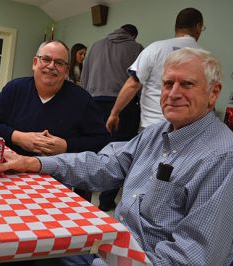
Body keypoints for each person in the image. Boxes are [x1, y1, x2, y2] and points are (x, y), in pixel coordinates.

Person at [0, 47, 233, 265]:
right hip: (111, 246)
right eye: (167, 84)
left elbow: (193, 258)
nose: (173, 93)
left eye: (186, 84)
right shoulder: (156, 133)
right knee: (23, 244)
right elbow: (103, 166)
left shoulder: (225, 157)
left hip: (138, 261)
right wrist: (35, 162)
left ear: (213, 93)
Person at [0, 40, 111, 201]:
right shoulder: (15, 89)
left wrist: (66, 146)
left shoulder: (82, 99)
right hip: (10, 177)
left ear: (66, 70)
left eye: (59, 63)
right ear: (35, 63)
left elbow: (101, 141)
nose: (51, 66)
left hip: (59, 185)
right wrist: (18, 137)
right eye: (46, 59)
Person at [106, 7, 204, 135]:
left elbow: (133, 84)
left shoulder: (155, 49)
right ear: (198, 27)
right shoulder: (204, 58)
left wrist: (114, 113)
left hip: (151, 127)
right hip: (186, 131)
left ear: (176, 27)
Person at [81, 24, 143, 211]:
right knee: (120, 154)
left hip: (94, 102)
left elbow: (85, 75)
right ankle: (106, 202)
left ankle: (83, 199)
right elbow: (139, 81)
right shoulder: (137, 48)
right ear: (133, 35)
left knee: (90, 151)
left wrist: (85, 101)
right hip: (123, 105)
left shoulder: (96, 45)